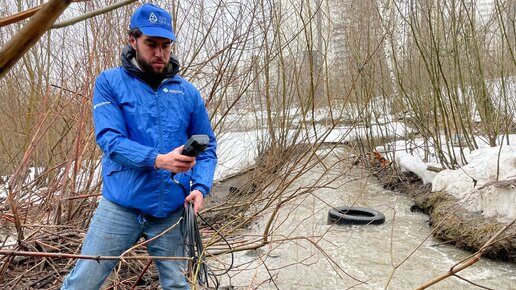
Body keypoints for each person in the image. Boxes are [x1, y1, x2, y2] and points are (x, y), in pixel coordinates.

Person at [61, 3, 217, 290]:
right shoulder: (109, 83)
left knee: (180, 285)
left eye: (165, 45)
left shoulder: (187, 92)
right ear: (133, 41)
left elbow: (208, 145)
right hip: (121, 206)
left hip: (171, 208)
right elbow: (110, 141)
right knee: (82, 282)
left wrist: (200, 187)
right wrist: (158, 160)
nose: (159, 53)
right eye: (151, 44)